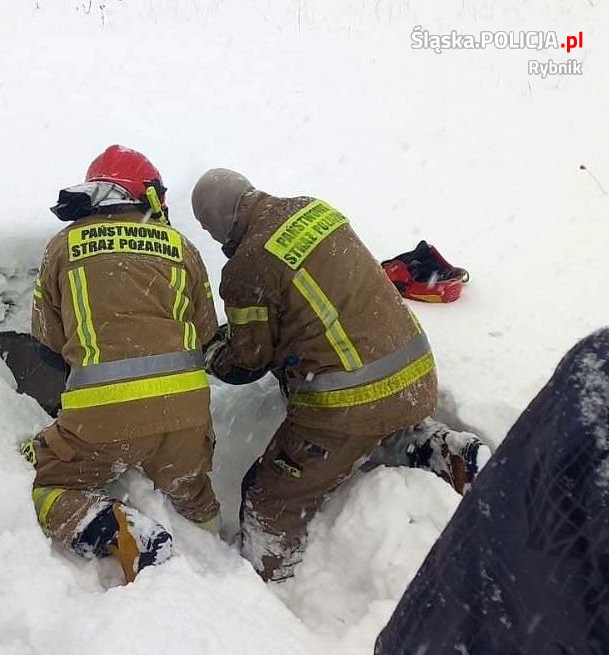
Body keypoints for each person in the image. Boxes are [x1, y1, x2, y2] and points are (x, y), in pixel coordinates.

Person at [191, 169, 490, 582]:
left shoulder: (247, 267)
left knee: (267, 498)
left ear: (218, 221)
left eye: (209, 228)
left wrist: (212, 355)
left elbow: (247, 362)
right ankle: (440, 449)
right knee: (379, 431)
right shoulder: (313, 210)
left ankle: (268, 584)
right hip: (415, 373)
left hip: (348, 404)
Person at [26, 145, 220, 584]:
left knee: (44, 487)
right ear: (144, 194)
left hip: (102, 419)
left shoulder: (63, 246)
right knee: (195, 496)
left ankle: (117, 529)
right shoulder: (181, 247)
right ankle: (219, 552)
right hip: (186, 418)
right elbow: (205, 333)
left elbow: (47, 344)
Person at [375, 328, 609, 654]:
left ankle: (408, 440)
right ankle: (420, 443)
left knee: (284, 497)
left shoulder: (598, 358)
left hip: (450, 611)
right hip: (403, 368)